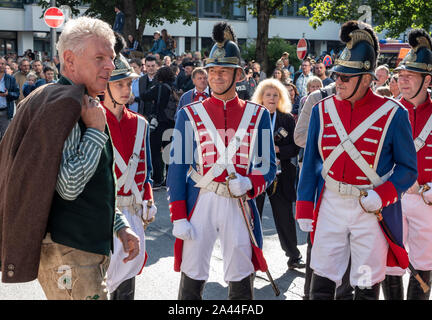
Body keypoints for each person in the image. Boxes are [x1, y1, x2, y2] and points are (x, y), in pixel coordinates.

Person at [0, 16, 140, 300]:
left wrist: (120, 227)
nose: (111, 66)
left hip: (75, 251)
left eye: (111, 58)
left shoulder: (60, 97)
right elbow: (70, 185)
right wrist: (97, 131)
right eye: (99, 57)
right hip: (70, 252)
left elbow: (89, 184)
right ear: (70, 60)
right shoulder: (67, 104)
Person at [295, 20, 417, 300]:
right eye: (337, 74)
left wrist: (383, 195)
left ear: (366, 78)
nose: (338, 81)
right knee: (322, 280)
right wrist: (304, 205)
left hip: (369, 208)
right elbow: (311, 162)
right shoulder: (321, 110)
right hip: (330, 204)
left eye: (346, 77)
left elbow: (409, 169)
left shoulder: (393, 113)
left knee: (364, 282)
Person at [167, 22, 276, 300]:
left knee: (240, 273)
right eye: (212, 71)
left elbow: (268, 168)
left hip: (237, 202)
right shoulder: (188, 114)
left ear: (237, 75)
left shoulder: (258, 114)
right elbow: (178, 168)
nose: (216, 77)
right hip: (200, 199)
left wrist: (250, 183)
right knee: (192, 273)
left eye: (223, 71)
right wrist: (178, 214)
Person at [102, 48, 157, 300]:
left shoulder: (140, 122)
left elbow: (145, 170)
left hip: (133, 210)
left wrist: (148, 198)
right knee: (99, 282)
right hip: (102, 212)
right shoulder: (92, 118)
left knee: (127, 280)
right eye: (119, 84)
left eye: (129, 83)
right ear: (106, 86)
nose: (126, 89)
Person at [382, 28, 432, 300]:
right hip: (394, 197)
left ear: (427, 80)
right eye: (400, 75)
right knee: (389, 259)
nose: (402, 80)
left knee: (425, 262)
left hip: (427, 199)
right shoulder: (386, 112)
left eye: (409, 76)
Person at [251, 78, 304, 271]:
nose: (272, 98)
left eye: (275, 95)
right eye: (268, 95)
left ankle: (293, 255)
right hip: (256, 174)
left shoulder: (287, 118)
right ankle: (251, 255)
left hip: (282, 175)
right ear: (261, 97)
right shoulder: (253, 116)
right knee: (252, 215)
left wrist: (279, 150)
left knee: (284, 216)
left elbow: (296, 146)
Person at [140, 66, 177, 189]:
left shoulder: (159, 87)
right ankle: (170, 179)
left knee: (155, 150)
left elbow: (145, 96)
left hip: (159, 123)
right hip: (171, 122)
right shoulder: (173, 88)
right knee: (168, 152)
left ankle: (157, 178)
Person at [0, 56, 19, 140]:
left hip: (5, 112)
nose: (0, 65)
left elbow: (17, 94)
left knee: (5, 138)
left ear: (5, 65)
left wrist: (8, 94)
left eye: (2, 63)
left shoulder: (10, 79)